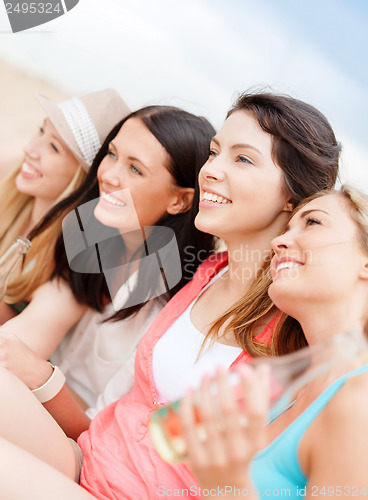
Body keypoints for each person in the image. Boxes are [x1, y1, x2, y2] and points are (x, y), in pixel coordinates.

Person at [0, 90, 341, 498]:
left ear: (292, 195)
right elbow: (111, 409)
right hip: (85, 460)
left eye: (243, 158)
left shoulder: (295, 323)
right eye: (215, 153)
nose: (211, 170)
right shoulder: (208, 273)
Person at [0, 105, 216, 437]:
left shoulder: (169, 309)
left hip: (72, 449)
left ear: (181, 201)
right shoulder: (90, 245)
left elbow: (100, 437)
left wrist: (40, 375)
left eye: (135, 169)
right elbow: (29, 328)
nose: (110, 174)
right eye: (112, 154)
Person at [179, 186, 368, 499]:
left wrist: (229, 487)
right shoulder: (294, 387)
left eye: (313, 223)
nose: (278, 242)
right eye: (289, 226)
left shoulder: (359, 404)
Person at [0, 89, 130, 323]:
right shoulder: (12, 186)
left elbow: (20, 339)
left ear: (81, 177)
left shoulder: (72, 260)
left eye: (53, 147)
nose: (30, 149)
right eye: (41, 130)